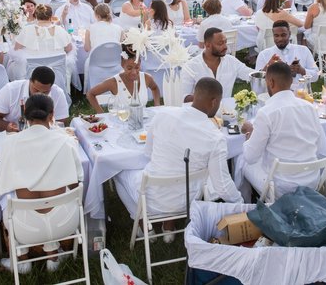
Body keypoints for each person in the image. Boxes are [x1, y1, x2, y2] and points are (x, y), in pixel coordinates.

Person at [114, 78, 242, 237]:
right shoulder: (216, 138)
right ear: (214, 101)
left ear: (194, 95)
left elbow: (148, 153)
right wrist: (239, 203)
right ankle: (168, 226)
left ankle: (141, 221)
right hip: (188, 200)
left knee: (118, 171)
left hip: (152, 199)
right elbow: (222, 184)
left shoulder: (163, 116)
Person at [0, 93, 83, 273]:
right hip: (65, 223)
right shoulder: (66, 141)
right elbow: (76, 185)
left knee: (8, 202)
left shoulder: (10, 143)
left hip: (24, 227)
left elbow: (1, 187)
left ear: (25, 114)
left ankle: (22, 260)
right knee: (58, 197)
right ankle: (53, 256)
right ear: (52, 115)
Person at [240, 62, 326, 199]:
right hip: (312, 181)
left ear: (270, 82)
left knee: (242, 160)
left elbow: (251, 157)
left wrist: (249, 136)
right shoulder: (309, 108)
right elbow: (323, 152)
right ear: (291, 81)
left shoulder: (266, 113)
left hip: (280, 187)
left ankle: (246, 207)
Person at [0, 66, 70, 133]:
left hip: (44, 137)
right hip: (12, 136)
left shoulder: (58, 93)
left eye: (45, 92)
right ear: (30, 81)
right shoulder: (10, 90)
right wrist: (7, 126)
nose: (39, 94)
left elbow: (61, 123)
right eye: (36, 90)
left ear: (51, 87)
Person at [181, 28, 255, 101]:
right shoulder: (191, 66)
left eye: (225, 42)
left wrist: (266, 69)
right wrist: (204, 98)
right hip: (200, 111)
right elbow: (183, 96)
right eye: (220, 43)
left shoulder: (231, 61)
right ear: (208, 45)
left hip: (226, 110)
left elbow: (252, 75)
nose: (225, 47)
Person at [86, 46, 160, 113]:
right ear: (122, 65)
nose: (134, 72)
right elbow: (90, 94)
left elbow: (155, 88)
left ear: (140, 63)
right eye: (129, 68)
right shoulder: (114, 82)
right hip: (120, 123)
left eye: (137, 67)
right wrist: (101, 114)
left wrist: (157, 105)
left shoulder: (146, 78)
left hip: (142, 122)